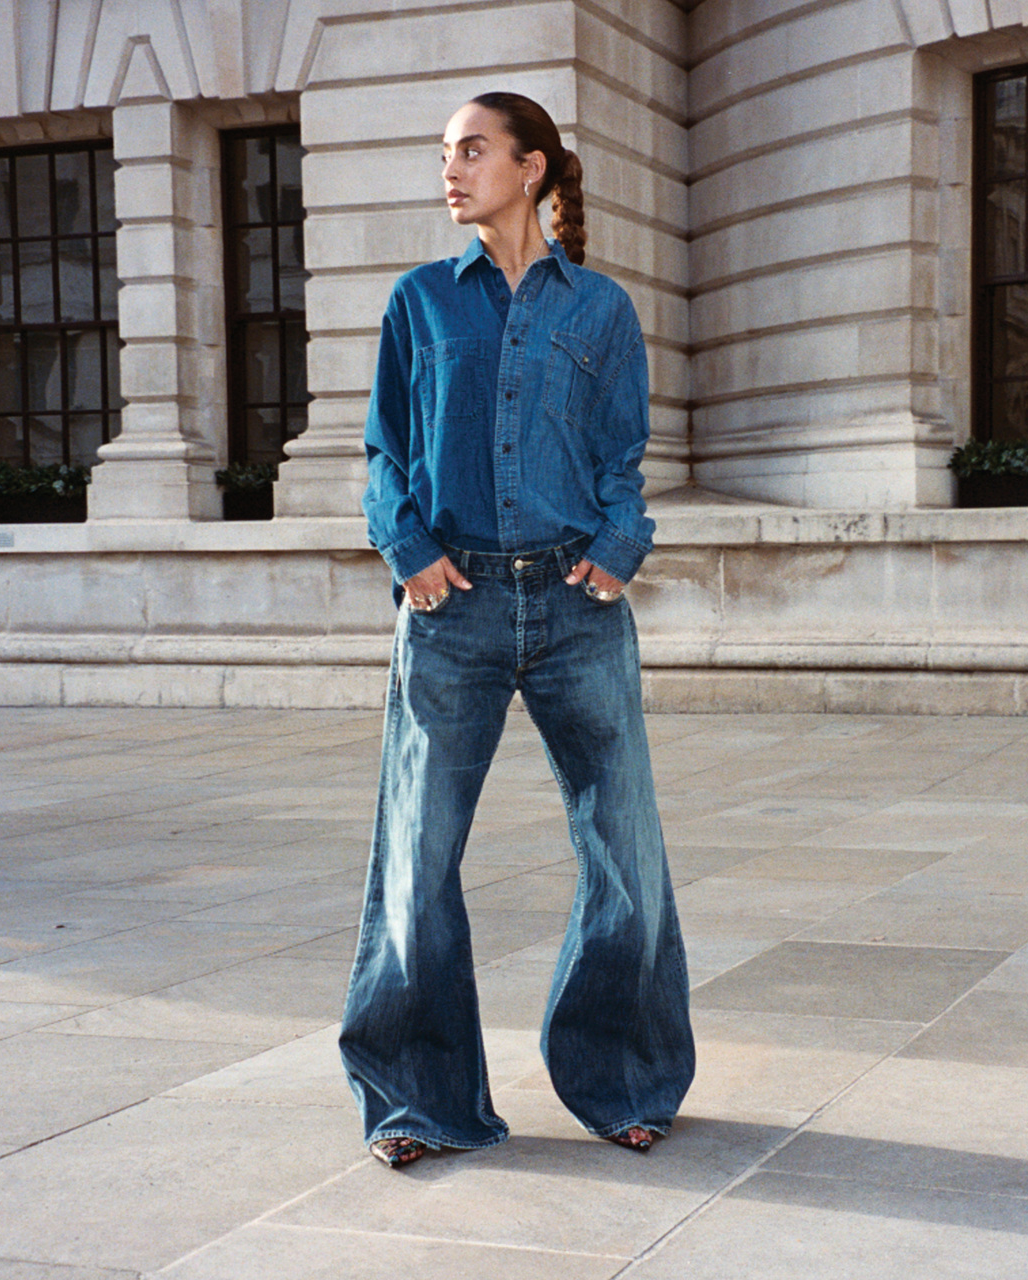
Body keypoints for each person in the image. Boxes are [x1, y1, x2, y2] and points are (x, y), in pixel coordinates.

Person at [338, 92, 696, 1170]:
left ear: (532, 168)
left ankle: (621, 1076)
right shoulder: (419, 304)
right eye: (444, 151)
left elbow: (624, 456)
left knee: (624, 847)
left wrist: (619, 546)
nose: (451, 169)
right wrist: (409, 553)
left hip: (577, 607)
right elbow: (386, 453)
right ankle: (417, 1100)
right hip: (453, 609)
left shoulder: (600, 312)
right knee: (417, 852)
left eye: (473, 150)